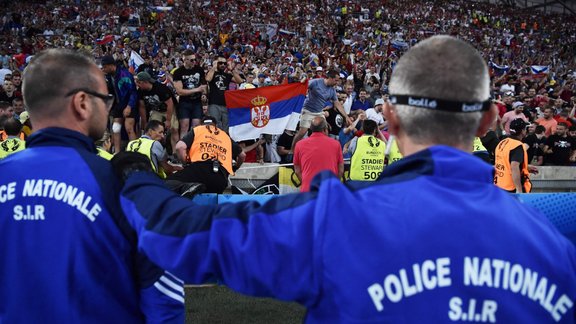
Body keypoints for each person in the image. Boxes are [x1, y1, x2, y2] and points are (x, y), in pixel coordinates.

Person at [113, 36, 576, 323]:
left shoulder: (335, 220)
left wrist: (134, 182)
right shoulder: (558, 254)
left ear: (389, 118)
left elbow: (184, 234)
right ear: (488, 121)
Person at [0, 48, 184, 323]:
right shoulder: (116, 180)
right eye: (105, 99)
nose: (108, 107)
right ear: (82, 103)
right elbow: (162, 293)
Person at [166, 115, 244, 194]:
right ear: (215, 125)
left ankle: (187, 189)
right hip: (220, 177)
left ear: (201, 124)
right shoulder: (225, 135)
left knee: (167, 183)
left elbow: (180, 147)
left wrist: (185, 163)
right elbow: (242, 155)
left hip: (199, 170)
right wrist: (235, 167)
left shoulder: (198, 130)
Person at [291, 69, 351, 152]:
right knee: (302, 132)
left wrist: (346, 116)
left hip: (319, 112)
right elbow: (302, 86)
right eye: (336, 80)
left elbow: (337, 103)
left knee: (325, 132)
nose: (337, 83)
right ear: (330, 78)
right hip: (308, 110)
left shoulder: (332, 90)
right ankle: (292, 151)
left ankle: (320, 150)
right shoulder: (316, 82)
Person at [293, 116, 344, 192]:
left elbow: (297, 171)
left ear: (311, 129)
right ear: (325, 129)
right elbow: (340, 170)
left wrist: (306, 183)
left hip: (308, 190)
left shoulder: (299, 145)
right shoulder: (336, 144)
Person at [101, 55, 138, 153]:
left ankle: (135, 153)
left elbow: (133, 92)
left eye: (104, 67)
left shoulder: (124, 75)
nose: (103, 69)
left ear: (110, 65)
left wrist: (129, 106)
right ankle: (117, 153)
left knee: (129, 128)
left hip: (129, 103)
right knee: (115, 128)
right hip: (118, 105)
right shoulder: (109, 76)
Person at [135, 71, 179, 152]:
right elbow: (142, 107)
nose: (137, 85)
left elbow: (170, 104)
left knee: (174, 129)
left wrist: (168, 120)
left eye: (139, 83)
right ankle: (152, 150)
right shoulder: (140, 91)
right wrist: (144, 123)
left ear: (145, 82)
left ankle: (175, 152)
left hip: (169, 109)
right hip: (157, 110)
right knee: (152, 129)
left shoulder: (161, 88)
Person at [494, 119, 538, 193]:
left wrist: (525, 167)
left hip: (499, 184)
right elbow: (514, 167)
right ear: (522, 131)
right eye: (525, 128)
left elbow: (505, 162)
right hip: (511, 188)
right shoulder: (517, 145)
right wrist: (519, 189)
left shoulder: (502, 142)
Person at [173, 50, 207, 138]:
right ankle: (183, 147)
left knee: (197, 126)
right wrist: (197, 90)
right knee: (184, 126)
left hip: (197, 102)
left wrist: (204, 94)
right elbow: (180, 91)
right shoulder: (178, 72)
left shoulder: (199, 70)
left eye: (195, 59)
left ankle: (195, 146)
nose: (194, 62)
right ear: (185, 60)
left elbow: (204, 85)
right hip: (184, 102)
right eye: (191, 60)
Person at [205, 56, 243, 132]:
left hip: (226, 104)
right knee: (215, 125)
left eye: (224, 63)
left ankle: (224, 141)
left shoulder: (227, 75)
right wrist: (213, 67)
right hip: (214, 103)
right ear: (216, 63)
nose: (222, 65)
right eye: (220, 63)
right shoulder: (212, 73)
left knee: (226, 126)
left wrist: (232, 69)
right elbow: (208, 79)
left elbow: (240, 81)